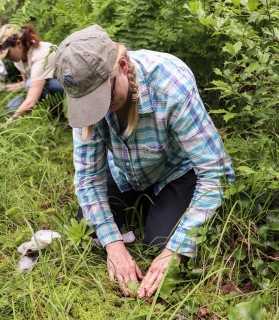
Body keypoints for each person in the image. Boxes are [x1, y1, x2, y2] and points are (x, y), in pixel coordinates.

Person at [55, 25, 235, 298]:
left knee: (161, 241)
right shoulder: (83, 93)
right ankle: (136, 220)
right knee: (90, 225)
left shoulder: (171, 85)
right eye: (89, 102)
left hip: (174, 172)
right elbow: (89, 178)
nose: (98, 109)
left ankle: (162, 217)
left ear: (123, 66)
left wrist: (173, 251)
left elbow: (216, 172)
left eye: (103, 97)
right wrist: (114, 245)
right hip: (125, 172)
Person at [0, 24, 64, 123]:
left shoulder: (42, 54)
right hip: (45, 87)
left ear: (19, 43)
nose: (5, 58)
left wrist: (8, 123)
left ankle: (59, 112)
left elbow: (31, 101)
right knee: (8, 110)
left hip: (71, 87)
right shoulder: (18, 59)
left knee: (29, 86)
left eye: (7, 53)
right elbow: (25, 84)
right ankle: (54, 112)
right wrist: (2, 88)